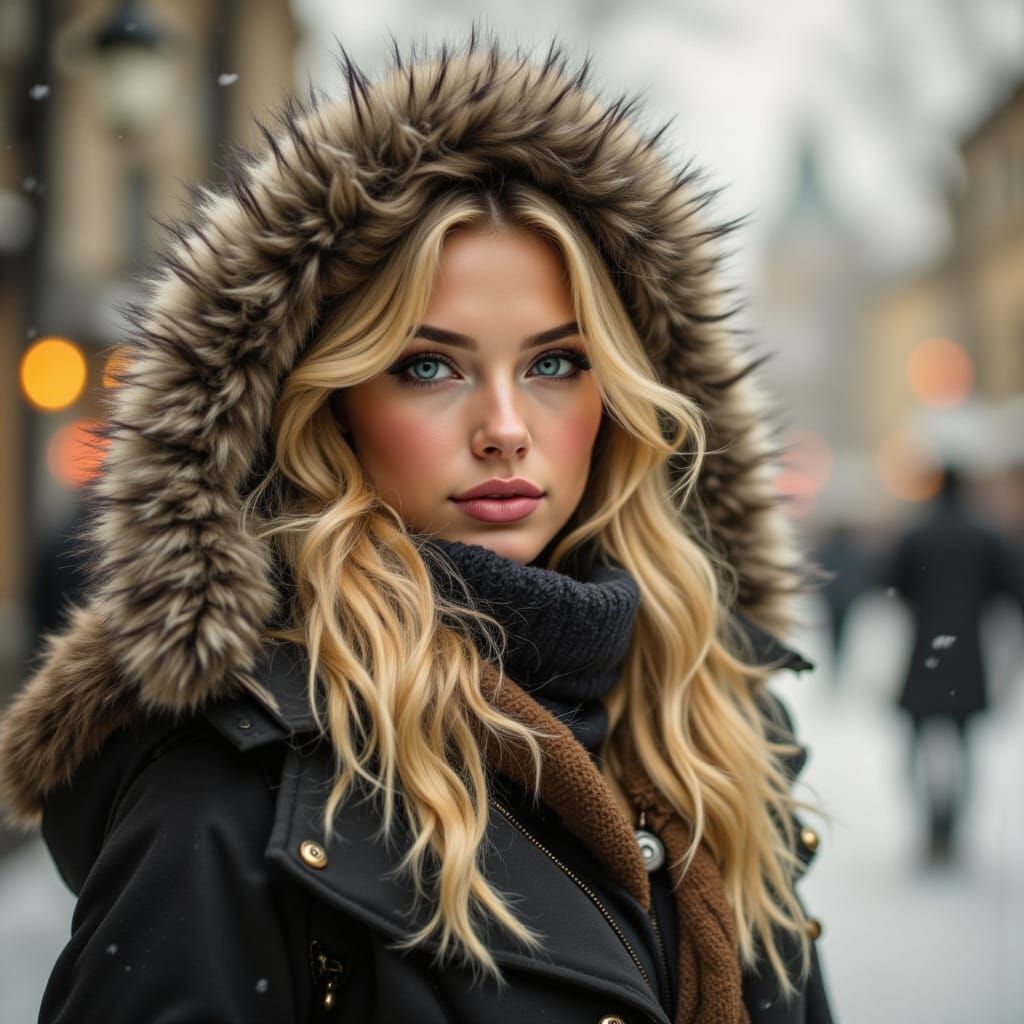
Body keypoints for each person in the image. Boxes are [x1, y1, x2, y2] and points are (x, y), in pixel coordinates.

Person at [0, 38, 833, 1023]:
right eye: (428, 367)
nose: (506, 430)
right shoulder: (231, 799)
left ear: (624, 394)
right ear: (331, 406)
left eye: (556, 363)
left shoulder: (717, 729)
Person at [879, 465, 1024, 864]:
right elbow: (1012, 591)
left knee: (916, 743)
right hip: (968, 656)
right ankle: (953, 827)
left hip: (924, 653)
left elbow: (890, 586)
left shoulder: (917, 535)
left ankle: (929, 823)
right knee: (964, 745)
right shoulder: (986, 537)